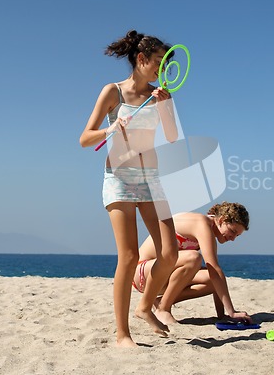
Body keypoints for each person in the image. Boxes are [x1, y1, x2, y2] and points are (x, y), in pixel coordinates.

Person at [80, 30, 179, 347]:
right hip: (119, 178)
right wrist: (111, 128)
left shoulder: (160, 95)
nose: (162, 70)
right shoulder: (113, 92)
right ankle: (123, 334)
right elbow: (85, 138)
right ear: (141, 59)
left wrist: (165, 107)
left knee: (170, 253)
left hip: (151, 179)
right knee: (129, 255)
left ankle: (144, 307)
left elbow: (173, 137)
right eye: (159, 63)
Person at [132, 202, 253, 325]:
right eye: (232, 231)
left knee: (212, 279)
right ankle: (163, 309)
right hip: (143, 273)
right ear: (222, 220)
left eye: (237, 235)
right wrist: (232, 312)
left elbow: (215, 276)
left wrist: (224, 316)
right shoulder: (201, 224)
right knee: (193, 258)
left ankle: (161, 302)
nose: (232, 238)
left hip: (161, 276)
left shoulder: (209, 230)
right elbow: (215, 270)